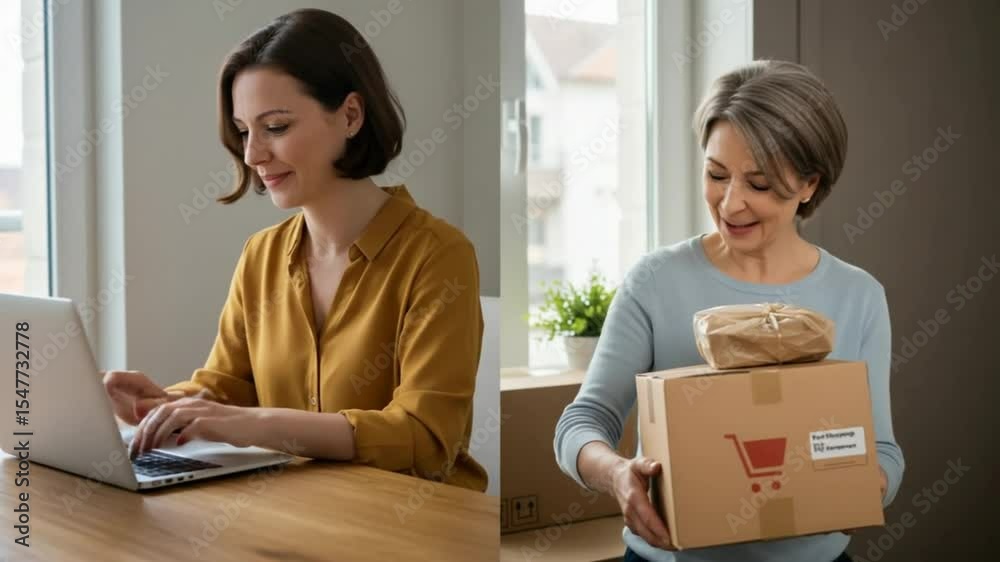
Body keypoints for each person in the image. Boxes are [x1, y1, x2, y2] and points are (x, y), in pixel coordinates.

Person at [102, 8, 487, 492]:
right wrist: (155, 407)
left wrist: (260, 424)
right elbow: (228, 388)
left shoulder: (438, 256)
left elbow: (426, 438)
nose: (252, 155)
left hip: (415, 528)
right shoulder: (261, 255)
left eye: (276, 127)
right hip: (298, 512)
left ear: (350, 115)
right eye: (244, 131)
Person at [553, 60, 905, 560]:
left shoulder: (858, 296)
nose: (730, 203)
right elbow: (584, 421)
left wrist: (854, 483)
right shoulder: (656, 282)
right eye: (716, 175)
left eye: (759, 185)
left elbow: (885, 452)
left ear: (808, 184)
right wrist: (616, 475)